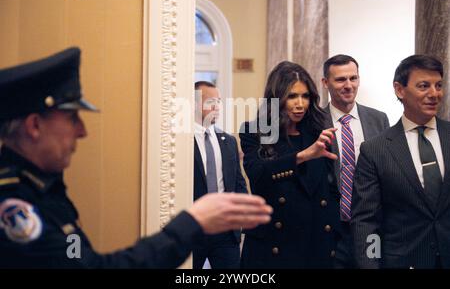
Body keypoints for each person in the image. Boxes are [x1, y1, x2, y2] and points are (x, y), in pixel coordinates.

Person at [0, 47, 272, 268]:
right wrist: (192, 223)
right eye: (73, 118)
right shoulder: (13, 204)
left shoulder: (44, 190)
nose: (82, 131)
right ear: (34, 125)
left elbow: (80, 261)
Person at [239, 61, 341, 269]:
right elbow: (258, 175)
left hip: (316, 241)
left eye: (305, 96)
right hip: (273, 244)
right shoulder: (255, 131)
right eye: (292, 96)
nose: (300, 104)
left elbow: (328, 188)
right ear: (276, 98)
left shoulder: (318, 130)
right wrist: (302, 156)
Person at [351, 54, 450, 269]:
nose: (434, 94)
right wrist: (370, 266)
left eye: (439, 85)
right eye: (424, 86)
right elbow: (366, 223)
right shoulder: (375, 150)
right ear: (399, 90)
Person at [321, 54, 389, 268]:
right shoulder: (314, 122)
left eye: (353, 78)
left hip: (372, 226)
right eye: (341, 80)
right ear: (325, 83)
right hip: (331, 226)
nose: (349, 85)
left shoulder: (379, 119)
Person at [192, 81, 248, 269]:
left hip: (226, 231)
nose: (217, 107)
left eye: (219, 102)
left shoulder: (229, 141)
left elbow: (238, 183)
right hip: (193, 230)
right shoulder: (180, 142)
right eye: (210, 102)